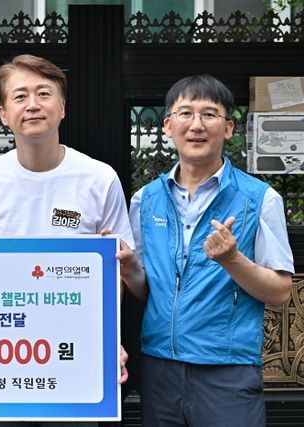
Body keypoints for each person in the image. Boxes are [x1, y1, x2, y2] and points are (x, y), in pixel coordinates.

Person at [0, 55, 133, 425]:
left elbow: (116, 274)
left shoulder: (99, 178)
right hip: (0, 353)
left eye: (44, 93)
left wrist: (108, 339)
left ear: (63, 107)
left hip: (76, 351)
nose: (33, 104)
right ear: (3, 114)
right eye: (20, 96)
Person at [125, 74, 294, 426]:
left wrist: (233, 260)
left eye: (209, 114)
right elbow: (145, 290)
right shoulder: (145, 200)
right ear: (168, 126)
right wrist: (128, 270)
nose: (196, 125)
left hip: (227, 370)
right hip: (160, 366)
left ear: (228, 128)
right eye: (185, 113)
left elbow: (280, 292)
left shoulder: (259, 199)